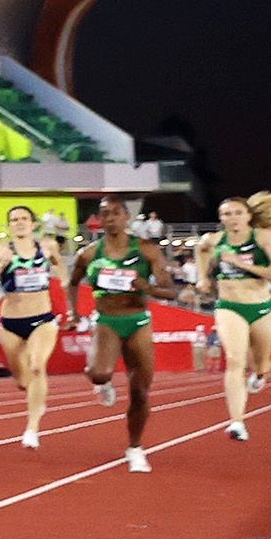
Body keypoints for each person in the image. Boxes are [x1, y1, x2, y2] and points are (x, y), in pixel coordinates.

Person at [71, 196, 176, 472]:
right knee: (98, 373)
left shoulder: (146, 249)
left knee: (140, 391)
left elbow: (170, 291)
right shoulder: (89, 254)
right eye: (105, 214)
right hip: (107, 320)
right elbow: (73, 282)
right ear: (99, 219)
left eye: (116, 213)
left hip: (138, 321)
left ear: (127, 217)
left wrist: (147, 288)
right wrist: (74, 313)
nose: (110, 219)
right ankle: (103, 384)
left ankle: (135, 448)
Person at [194, 192, 271, 441]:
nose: (233, 218)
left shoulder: (263, 237)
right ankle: (237, 422)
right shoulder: (214, 240)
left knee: (261, 365)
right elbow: (201, 250)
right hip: (229, 306)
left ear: (248, 216)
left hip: (260, 308)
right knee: (235, 360)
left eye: (238, 212)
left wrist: (241, 263)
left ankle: (259, 375)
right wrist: (202, 277)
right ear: (220, 218)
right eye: (227, 214)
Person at [0, 204, 70, 450]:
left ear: (33, 224)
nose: (19, 223)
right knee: (22, 380)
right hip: (11, 323)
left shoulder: (47, 246)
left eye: (24, 218)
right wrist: (0, 266)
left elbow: (63, 274)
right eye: (14, 219)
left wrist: (61, 275)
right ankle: (36, 399)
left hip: (43, 319)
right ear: (9, 225)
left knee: (37, 366)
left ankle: (32, 428)